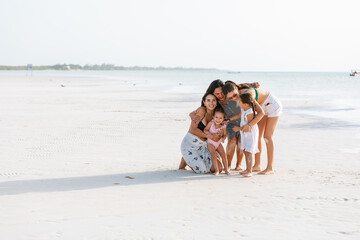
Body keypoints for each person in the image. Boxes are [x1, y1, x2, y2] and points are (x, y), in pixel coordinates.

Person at [193, 80, 264, 171]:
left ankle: (238, 164)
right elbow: (208, 109)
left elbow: (236, 89)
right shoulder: (216, 102)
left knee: (241, 143)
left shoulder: (232, 96)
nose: (221, 95)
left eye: (222, 92)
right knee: (232, 141)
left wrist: (250, 86)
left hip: (244, 122)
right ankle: (228, 165)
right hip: (230, 123)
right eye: (217, 94)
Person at [223, 81, 282, 175]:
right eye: (230, 98)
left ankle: (270, 167)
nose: (234, 98)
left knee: (267, 137)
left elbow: (261, 112)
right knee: (257, 137)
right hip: (261, 107)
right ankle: (257, 165)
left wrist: (249, 125)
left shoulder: (247, 94)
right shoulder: (241, 96)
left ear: (236, 89)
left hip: (272, 105)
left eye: (234, 95)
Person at [179, 92, 224, 173]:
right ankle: (186, 157)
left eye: (213, 100)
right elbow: (193, 129)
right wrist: (209, 136)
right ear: (204, 102)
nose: (211, 103)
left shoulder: (216, 115)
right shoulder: (201, 111)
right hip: (190, 144)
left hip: (204, 146)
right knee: (202, 170)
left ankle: (189, 158)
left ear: (217, 102)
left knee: (219, 168)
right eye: (208, 100)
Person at [233, 93, 259, 177]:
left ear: (246, 104)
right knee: (245, 150)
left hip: (250, 134)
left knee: (249, 151)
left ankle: (250, 171)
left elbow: (248, 127)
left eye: (240, 102)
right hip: (244, 133)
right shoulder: (244, 109)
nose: (238, 103)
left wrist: (238, 129)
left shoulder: (250, 112)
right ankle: (247, 169)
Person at [204, 106, 231, 176]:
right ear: (213, 117)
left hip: (218, 142)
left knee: (223, 155)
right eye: (216, 117)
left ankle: (226, 170)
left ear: (223, 119)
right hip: (210, 142)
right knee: (214, 155)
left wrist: (223, 139)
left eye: (220, 118)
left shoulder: (223, 126)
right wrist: (210, 134)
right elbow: (205, 130)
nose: (218, 120)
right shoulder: (211, 123)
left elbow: (225, 135)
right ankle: (216, 170)